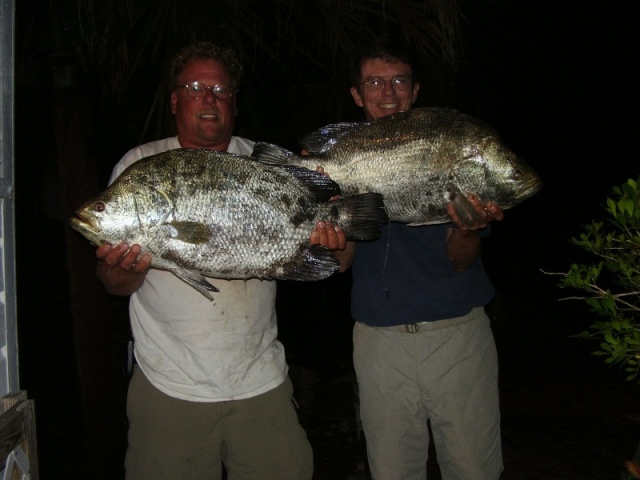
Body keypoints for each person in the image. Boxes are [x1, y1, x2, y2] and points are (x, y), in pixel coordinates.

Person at [94, 40, 345, 480]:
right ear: (175, 100)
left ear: (233, 101)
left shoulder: (265, 162)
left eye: (221, 90)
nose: (209, 99)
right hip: (169, 387)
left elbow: (340, 262)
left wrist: (335, 238)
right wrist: (122, 266)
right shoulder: (141, 165)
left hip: (260, 379)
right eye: (195, 87)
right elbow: (113, 285)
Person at [332, 37, 505, 479]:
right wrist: (331, 232)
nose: (388, 94)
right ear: (357, 95)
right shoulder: (342, 159)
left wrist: (468, 227)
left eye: (399, 81)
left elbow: (462, 260)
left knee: (473, 470)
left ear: (415, 90)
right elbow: (342, 263)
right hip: (379, 344)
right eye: (374, 82)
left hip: (457, 338)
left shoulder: (448, 148)